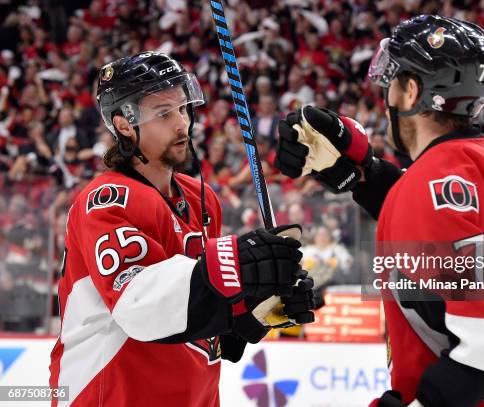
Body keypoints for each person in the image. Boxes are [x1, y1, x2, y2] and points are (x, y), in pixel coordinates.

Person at [274, 15, 484, 407]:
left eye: (393, 81)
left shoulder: (431, 185)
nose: (387, 93)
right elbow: (442, 236)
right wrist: (366, 177)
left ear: (411, 92)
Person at [49, 52, 315, 406]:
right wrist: (236, 269)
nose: (182, 124)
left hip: (193, 394)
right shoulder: (107, 200)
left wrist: (256, 305)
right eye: (163, 113)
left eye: (182, 108)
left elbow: (207, 314)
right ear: (125, 125)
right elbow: (139, 306)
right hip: (113, 395)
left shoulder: (201, 198)